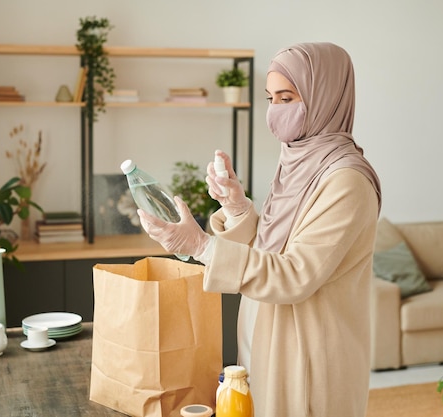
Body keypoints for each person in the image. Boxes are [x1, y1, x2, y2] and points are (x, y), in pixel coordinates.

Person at [138, 42, 382, 417]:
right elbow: (272, 249)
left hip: (308, 359)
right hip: (265, 341)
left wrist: (202, 246)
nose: (274, 112)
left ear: (326, 96)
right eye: (270, 98)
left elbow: (295, 275)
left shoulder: (345, 180)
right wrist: (237, 207)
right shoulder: (299, 160)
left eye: (286, 98)